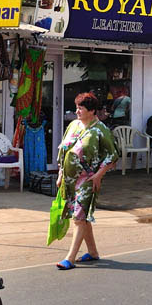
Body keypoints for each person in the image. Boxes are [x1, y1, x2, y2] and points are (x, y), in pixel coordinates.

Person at [55, 92, 119, 270]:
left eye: (80, 108)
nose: (77, 111)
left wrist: (99, 175)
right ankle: (92, 252)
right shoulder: (73, 125)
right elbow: (63, 149)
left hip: (87, 179)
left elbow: (113, 155)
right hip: (69, 180)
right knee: (82, 218)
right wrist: (61, 173)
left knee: (78, 217)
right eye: (77, 108)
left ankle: (70, 258)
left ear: (92, 111)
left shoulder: (100, 130)